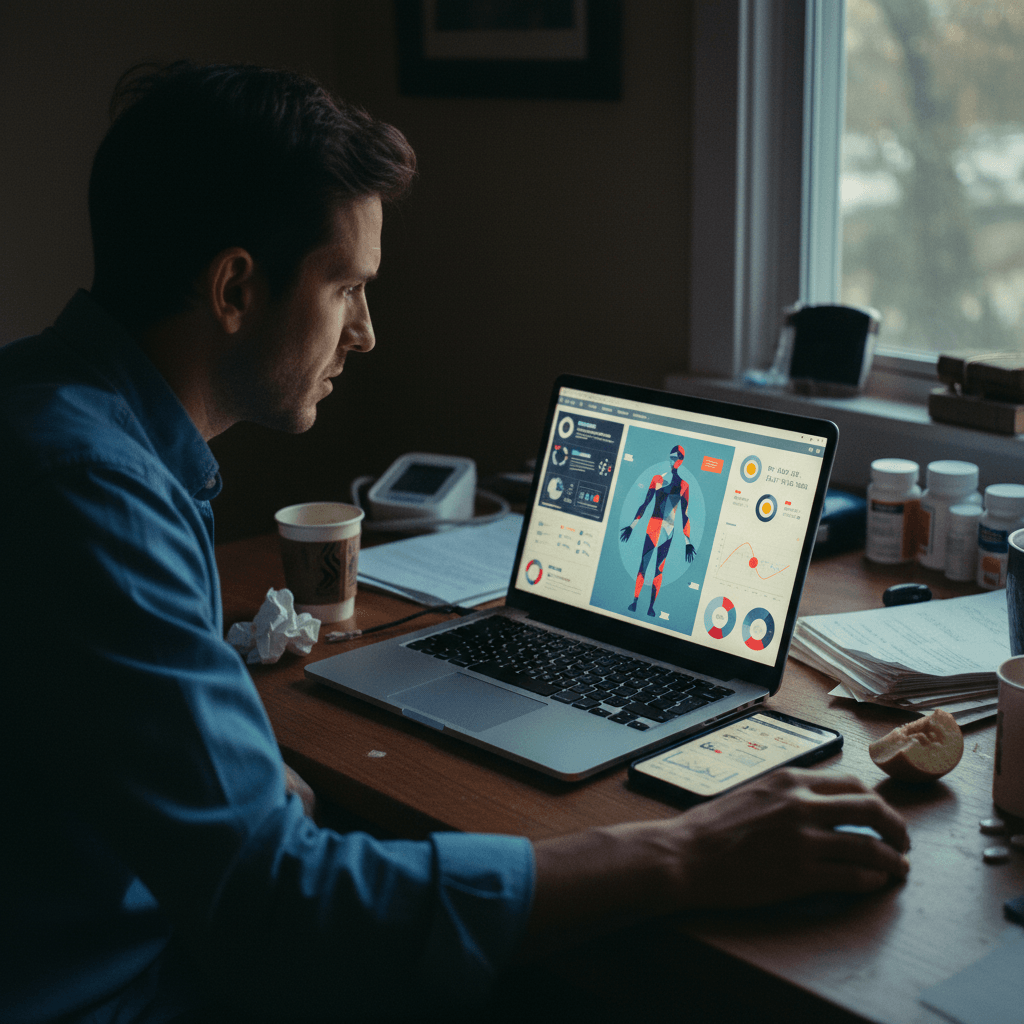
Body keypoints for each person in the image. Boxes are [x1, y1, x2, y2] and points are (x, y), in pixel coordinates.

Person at [0, 61, 911, 1024]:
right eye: (347, 286)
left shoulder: (50, 407)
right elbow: (281, 905)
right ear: (235, 286)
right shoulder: (95, 493)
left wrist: (246, 782)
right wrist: (687, 852)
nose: (366, 333)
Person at [620, 443, 696, 615]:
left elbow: (685, 514)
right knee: (644, 566)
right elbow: (645, 503)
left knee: (658, 569)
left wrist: (687, 541)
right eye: (671, 457)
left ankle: (650, 607)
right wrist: (632, 525)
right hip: (655, 526)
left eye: (676, 457)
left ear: (681, 460)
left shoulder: (684, 486)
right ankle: (635, 602)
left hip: (666, 530)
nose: (673, 460)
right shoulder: (657, 479)